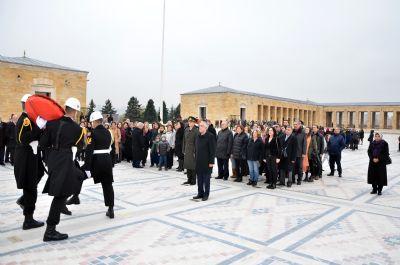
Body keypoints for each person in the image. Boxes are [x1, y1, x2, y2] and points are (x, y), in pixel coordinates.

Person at [40, 97, 85, 241]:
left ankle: (55, 221)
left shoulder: (51, 123)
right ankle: (50, 230)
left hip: (52, 159)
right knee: (60, 194)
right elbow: (80, 145)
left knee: (67, 186)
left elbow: (43, 143)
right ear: (76, 111)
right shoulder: (77, 129)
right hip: (65, 159)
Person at [14, 94, 46, 230]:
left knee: (40, 173)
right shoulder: (25, 120)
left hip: (33, 156)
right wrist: (38, 127)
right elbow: (22, 139)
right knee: (31, 188)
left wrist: (42, 128)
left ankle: (23, 200)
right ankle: (28, 219)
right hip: (26, 157)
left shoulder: (30, 119)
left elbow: (36, 136)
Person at [82, 111, 115, 218]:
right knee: (107, 185)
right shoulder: (109, 132)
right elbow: (111, 148)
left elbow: (89, 151)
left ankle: (74, 196)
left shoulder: (91, 133)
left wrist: (87, 167)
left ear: (94, 121)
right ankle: (111, 209)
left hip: (96, 161)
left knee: (78, 176)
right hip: (107, 160)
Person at [192, 120, 216, 201]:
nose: (200, 127)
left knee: (206, 180)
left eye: (201, 125)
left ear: (206, 127)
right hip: (199, 162)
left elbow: (212, 150)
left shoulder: (210, 136)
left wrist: (211, 162)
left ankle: (206, 194)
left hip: (207, 162)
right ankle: (200, 193)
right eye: (199, 125)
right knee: (199, 180)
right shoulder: (198, 136)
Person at [182, 116, 199, 185]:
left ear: (194, 122)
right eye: (189, 121)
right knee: (187, 165)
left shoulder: (196, 130)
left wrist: (195, 151)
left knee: (193, 166)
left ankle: (193, 180)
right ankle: (189, 179)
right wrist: (183, 149)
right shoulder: (186, 129)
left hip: (192, 150)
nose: (189, 123)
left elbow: (197, 142)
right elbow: (184, 140)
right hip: (187, 149)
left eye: (191, 121)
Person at [292, 121, 307, 185]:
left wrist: (303, 153)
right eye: (294, 124)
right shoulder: (292, 132)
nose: (295, 125)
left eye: (296, 124)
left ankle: (299, 180)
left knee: (299, 167)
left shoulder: (303, 133)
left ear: (299, 125)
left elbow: (304, 143)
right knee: (292, 167)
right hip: (292, 153)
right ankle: (292, 179)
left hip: (299, 153)